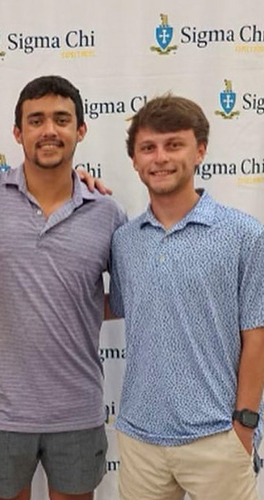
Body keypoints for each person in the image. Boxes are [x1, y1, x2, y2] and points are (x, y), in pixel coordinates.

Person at [0, 75, 126, 500]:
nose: (49, 130)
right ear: (18, 132)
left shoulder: (106, 212)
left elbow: (122, 299)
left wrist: (62, 304)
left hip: (78, 408)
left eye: (62, 119)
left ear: (80, 130)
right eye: (36, 120)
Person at [109, 95, 264, 500]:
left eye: (173, 144)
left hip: (216, 438)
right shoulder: (124, 241)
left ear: (200, 151)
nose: (160, 158)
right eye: (148, 148)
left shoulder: (243, 234)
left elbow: (257, 338)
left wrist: (243, 426)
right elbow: (119, 309)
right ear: (135, 160)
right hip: (140, 438)